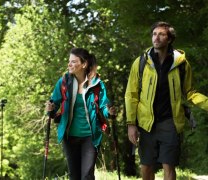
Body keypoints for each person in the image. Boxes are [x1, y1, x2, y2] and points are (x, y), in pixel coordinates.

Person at [125, 21, 208, 180]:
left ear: (169, 39)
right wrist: (131, 124)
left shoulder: (182, 64)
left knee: (168, 166)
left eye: (161, 34)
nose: (156, 38)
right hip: (146, 123)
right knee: (146, 167)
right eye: (154, 34)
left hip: (170, 122)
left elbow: (190, 92)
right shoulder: (141, 62)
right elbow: (131, 94)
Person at [45, 47, 115, 180]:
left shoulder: (97, 84)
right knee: (74, 176)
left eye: (73, 61)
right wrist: (51, 109)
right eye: (69, 61)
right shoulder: (64, 82)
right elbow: (54, 104)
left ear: (84, 64)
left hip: (90, 136)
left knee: (87, 176)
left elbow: (104, 106)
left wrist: (109, 112)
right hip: (69, 136)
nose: (69, 64)